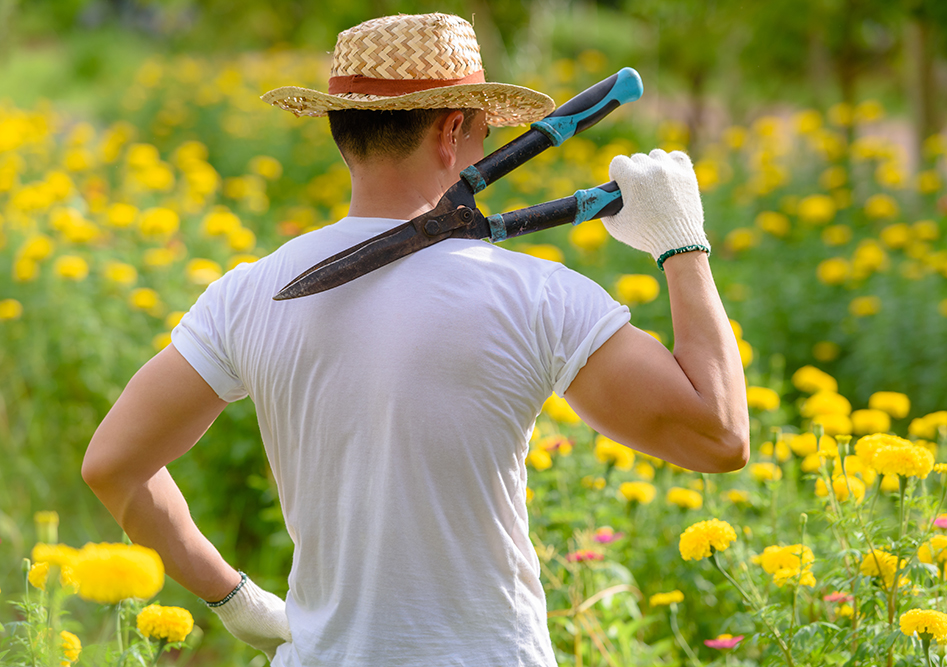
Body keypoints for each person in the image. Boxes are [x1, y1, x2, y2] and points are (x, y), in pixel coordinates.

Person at [82, 12, 749, 667]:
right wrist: (682, 246)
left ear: (344, 129)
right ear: (453, 129)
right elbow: (718, 436)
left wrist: (238, 601)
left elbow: (113, 465)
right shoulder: (538, 296)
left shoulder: (248, 293)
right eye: (486, 130)